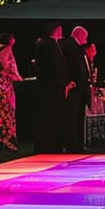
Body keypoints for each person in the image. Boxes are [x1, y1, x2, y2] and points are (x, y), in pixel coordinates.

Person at [34, 22, 72, 153]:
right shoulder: (49, 45)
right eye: (59, 30)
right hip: (52, 89)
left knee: (53, 117)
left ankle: (53, 144)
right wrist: (63, 83)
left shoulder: (53, 44)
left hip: (55, 87)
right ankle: (49, 145)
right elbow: (54, 68)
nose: (61, 32)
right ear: (54, 31)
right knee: (50, 117)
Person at [61, 25, 92, 152]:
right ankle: (72, 145)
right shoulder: (70, 47)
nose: (86, 40)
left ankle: (78, 145)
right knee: (73, 118)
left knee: (78, 118)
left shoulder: (78, 48)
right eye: (85, 37)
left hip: (80, 88)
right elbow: (75, 67)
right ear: (80, 36)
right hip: (75, 88)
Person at [0, 33, 21, 152]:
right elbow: (6, 65)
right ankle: (8, 138)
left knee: (2, 112)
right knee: (7, 111)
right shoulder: (6, 49)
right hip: (4, 84)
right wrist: (16, 76)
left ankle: (1, 138)